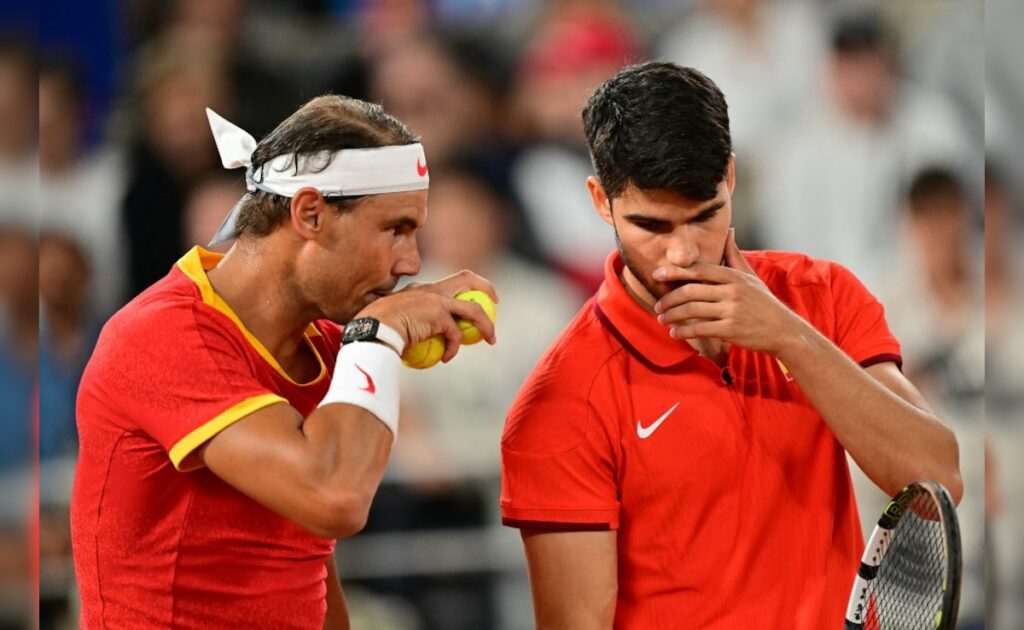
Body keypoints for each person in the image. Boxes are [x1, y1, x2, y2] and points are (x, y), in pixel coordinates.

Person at [499, 62, 962, 629]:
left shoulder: (822, 296)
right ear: (601, 201)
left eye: (705, 216)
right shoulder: (560, 403)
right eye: (653, 227)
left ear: (731, 179)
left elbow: (936, 485)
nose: (683, 254)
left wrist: (789, 336)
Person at [70, 94, 497, 629]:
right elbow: (334, 497)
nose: (411, 263)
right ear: (310, 213)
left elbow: (308, 559)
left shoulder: (321, 343)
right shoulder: (162, 335)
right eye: (396, 230)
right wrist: (378, 333)